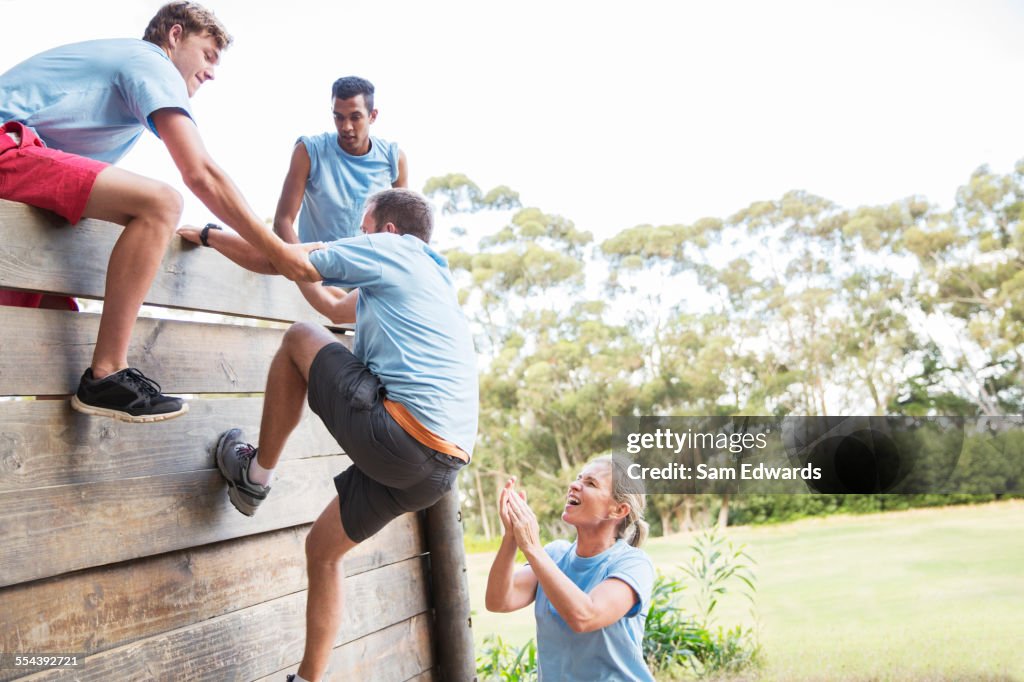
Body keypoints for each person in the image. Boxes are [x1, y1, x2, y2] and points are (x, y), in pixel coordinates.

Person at [0, 1, 319, 423]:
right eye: (207, 54)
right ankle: (107, 371)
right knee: (160, 203)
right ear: (173, 36)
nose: (211, 72)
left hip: (22, 179)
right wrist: (280, 250)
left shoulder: (121, 98)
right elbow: (200, 172)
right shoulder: (150, 62)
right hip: (8, 148)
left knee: (62, 341)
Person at [213, 188, 477, 682]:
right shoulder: (429, 277)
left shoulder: (393, 250)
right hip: (438, 471)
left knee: (297, 338)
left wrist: (213, 233)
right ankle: (308, 680)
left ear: (387, 231)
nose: (359, 237)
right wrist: (288, 257)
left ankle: (254, 477)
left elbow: (293, 264)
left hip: (405, 439)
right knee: (323, 549)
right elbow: (334, 306)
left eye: (363, 228)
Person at [180, 75, 407, 320]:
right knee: (276, 257)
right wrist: (298, 266)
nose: (346, 127)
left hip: (369, 271)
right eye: (338, 116)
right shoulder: (309, 151)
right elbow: (283, 221)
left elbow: (406, 230)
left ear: (372, 116)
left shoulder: (394, 158)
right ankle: (210, 234)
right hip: (317, 262)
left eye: (355, 117)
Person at [486, 456, 656, 682]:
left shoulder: (633, 564)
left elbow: (585, 617)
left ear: (618, 510)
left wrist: (532, 547)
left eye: (591, 483)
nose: (574, 485)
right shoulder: (554, 555)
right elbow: (499, 600)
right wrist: (511, 537)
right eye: (578, 479)